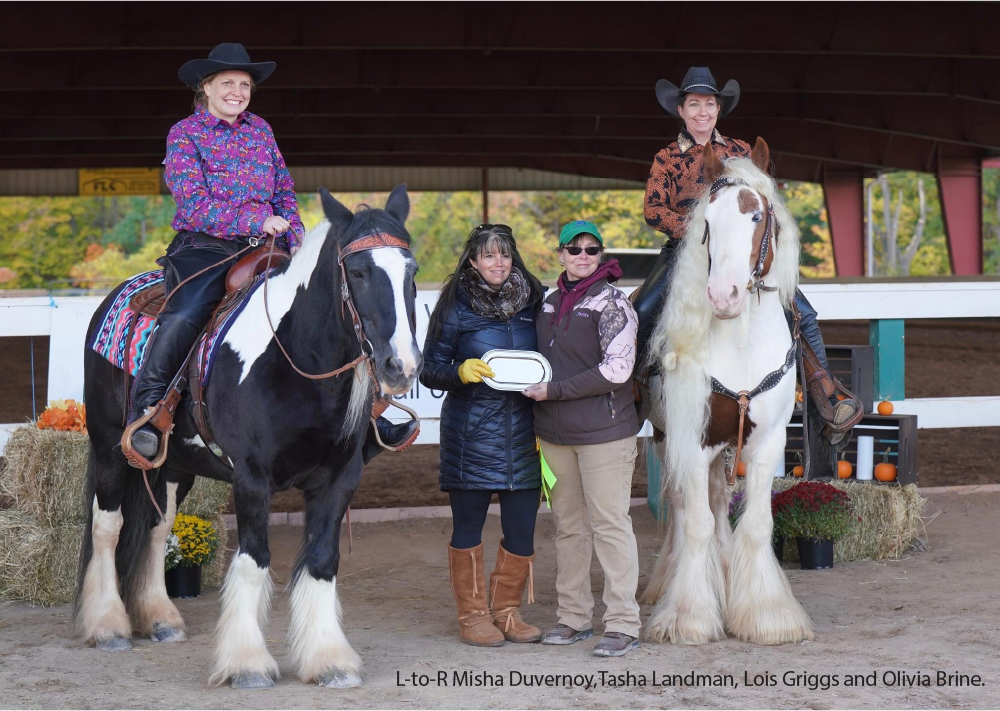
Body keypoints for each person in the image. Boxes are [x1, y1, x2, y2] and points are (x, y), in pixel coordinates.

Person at [123, 43, 414, 465]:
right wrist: (254, 222)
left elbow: (283, 191)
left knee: (331, 307)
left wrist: (294, 234)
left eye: (245, 85)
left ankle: (369, 411)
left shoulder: (260, 129)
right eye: (228, 83)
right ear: (206, 87)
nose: (237, 91)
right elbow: (192, 204)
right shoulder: (184, 134)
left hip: (269, 248)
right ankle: (151, 410)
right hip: (205, 247)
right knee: (186, 313)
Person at [634, 66, 861, 443]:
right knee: (643, 308)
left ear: (718, 109)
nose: (702, 112)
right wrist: (695, 233)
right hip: (685, 252)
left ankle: (826, 394)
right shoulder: (667, 157)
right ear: (682, 110)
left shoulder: (741, 152)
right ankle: (635, 393)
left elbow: (765, 200)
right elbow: (653, 209)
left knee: (802, 311)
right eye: (694, 104)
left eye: (709, 104)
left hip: (739, 250)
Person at [419, 224, 547, 647]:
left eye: (505, 255)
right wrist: (458, 371)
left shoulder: (535, 301)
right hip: (471, 435)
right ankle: (472, 616)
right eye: (489, 256)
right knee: (468, 529)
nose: (498, 263)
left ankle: (507, 612)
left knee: (522, 531)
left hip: (526, 434)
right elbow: (429, 368)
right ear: (473, 261)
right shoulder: (454, 306)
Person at [522, 220, 642, 658]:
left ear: (600, 254)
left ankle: (623, 623)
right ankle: (573, 618)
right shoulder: (548, 302)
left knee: (610, 525)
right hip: (553, 435)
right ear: (560, 254)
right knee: (568, 527)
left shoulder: (614, 304)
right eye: (574, 248)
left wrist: (554, 391)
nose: (583, 255)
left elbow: (617, 370)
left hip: (603, 433)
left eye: (592, 249)